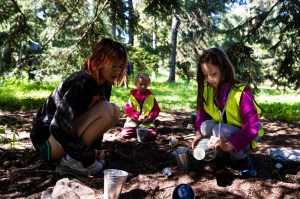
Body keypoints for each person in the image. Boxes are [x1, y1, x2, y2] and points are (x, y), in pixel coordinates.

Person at [30, 38, 128, 176]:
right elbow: (59, 127)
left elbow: (91, 120)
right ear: (99, 62)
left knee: (114, 110)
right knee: (106, 108)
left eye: (121, 67)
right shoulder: (82, 82)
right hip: (47, 145)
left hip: (63, 142)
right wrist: (86, 156)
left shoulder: (105, 85)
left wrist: (94, 149)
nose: (118, 71)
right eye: (113, 66)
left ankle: (72, 157)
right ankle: (70, 161)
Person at [191, 47, 264, 177]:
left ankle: (243, 161)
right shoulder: (208, 89)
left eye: (213, 74)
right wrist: (197, 134)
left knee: (220, 131)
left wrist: (228, 145)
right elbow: (204, 114)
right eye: (205, 75)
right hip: (224, 132)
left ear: (224, 70)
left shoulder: (241, 93)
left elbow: (252, 128)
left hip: (246, 137)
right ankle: (221, 154)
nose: (209, 80)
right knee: (205, 126)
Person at [119, 72, 160, 140]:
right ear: (136, 84)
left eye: (145, 84)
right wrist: (137, 116)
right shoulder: (132, 97)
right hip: (133, 120)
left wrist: (151, 116)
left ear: (148, 84)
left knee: (151, 135)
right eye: (140, 84)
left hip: (147, 121)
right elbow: (128, 110)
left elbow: (156, 109)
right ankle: (136, 130)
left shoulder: (151, 97)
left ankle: (152, 127)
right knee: (124, 134)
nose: (143, 86)